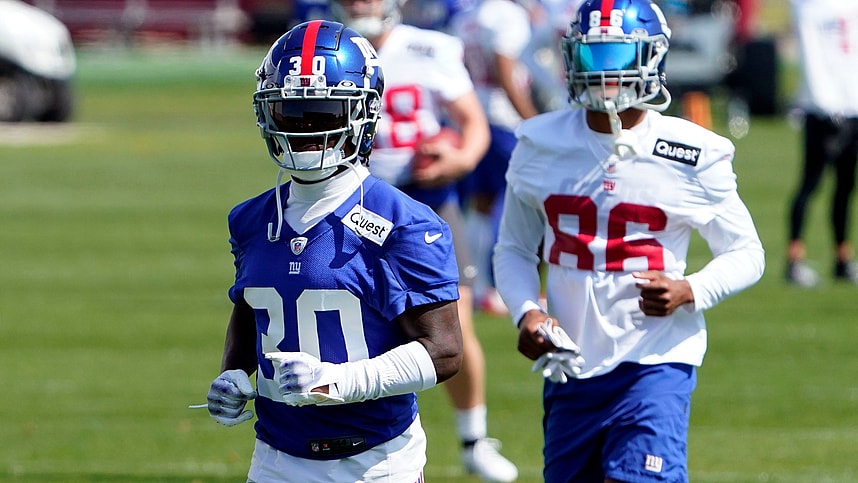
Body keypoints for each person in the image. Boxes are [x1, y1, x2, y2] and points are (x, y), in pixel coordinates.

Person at [492, 0, 765, 481]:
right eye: (594, 58)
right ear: (572, 59)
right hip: (570, 366)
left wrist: (692, 290)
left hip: (655, 361)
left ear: (653, 58)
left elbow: (747, 252)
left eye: (619, 57)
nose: (606, 74)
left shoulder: (691, 151)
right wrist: (526, 311)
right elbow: (513, 247)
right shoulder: (539, 142)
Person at [203, 20, 463, 482]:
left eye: (323, 113)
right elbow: (252, 312)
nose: (305, 129)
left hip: (375, 462)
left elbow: (443, 352)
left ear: (363, 113)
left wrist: (336, 382)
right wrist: (234, 375)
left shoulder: (405, 222)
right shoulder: (249, 220)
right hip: (275, 458)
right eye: (289, 112)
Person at [328, 1, 519, 481]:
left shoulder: (430, 47)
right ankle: (342, 438)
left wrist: (459, 159)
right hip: (348, 201)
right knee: (346, 321)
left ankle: (474, 439)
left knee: (455, 322)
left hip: (426, 201)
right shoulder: (327, 49)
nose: (360, 4)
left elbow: (472, 123)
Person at [450, 0, 540, 316]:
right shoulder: (507, 14)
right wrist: (532, 121)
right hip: (503, 118)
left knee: (481, 203)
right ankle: (497, 285)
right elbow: (505, 70)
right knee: (512, 199)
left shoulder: (468, 16)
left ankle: (477, 285)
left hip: (475, 113)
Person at [785, 0, 858, 288]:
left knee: (846, 187)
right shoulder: (808, 6)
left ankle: (842, 258)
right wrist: (821, 101)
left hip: (851, 106)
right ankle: (794, 259)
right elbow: (809, 55)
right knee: (810, 184)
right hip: (823, 110)